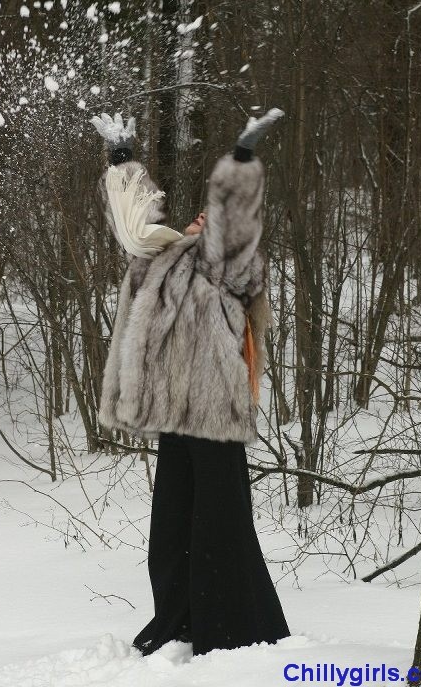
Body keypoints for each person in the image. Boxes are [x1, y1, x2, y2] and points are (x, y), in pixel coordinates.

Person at [92, 109, 290, 657]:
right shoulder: (166, 256)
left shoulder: (232, 265)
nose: (205, 220)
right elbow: (135, 227)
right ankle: (179, 618)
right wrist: (122, 160)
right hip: (176, 413)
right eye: (201, 216)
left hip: (218, 411)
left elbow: (237, 220)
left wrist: (243, 161)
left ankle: (233, 631)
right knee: (174, 524)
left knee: (220, 523)